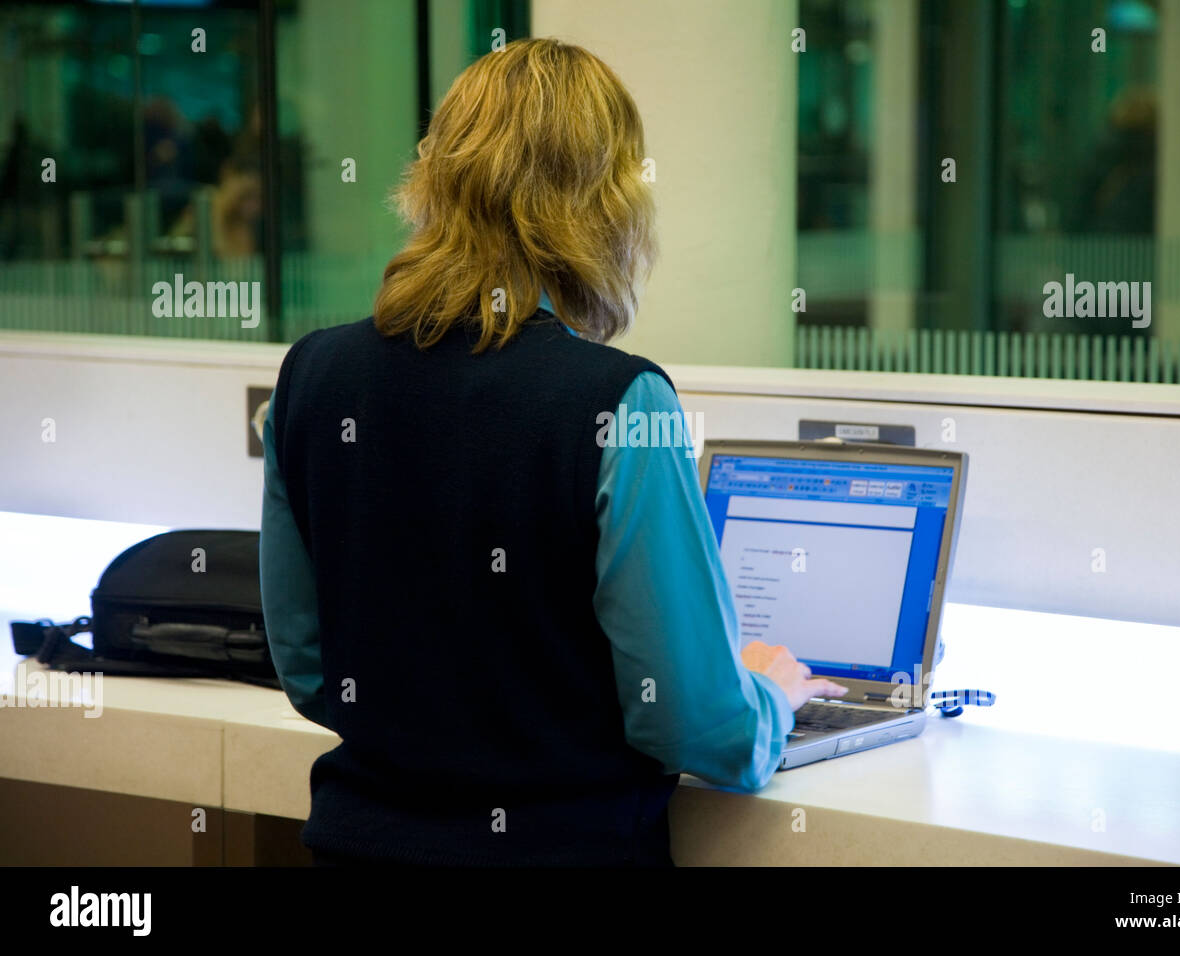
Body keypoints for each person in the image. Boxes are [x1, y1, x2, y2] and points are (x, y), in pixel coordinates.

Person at [259, 37, 845, 868]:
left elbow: (312, 673)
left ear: (433, 183)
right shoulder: (620, 402)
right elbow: (697, 725)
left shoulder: (308, 379)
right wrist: (771, 697)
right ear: (606, 206)